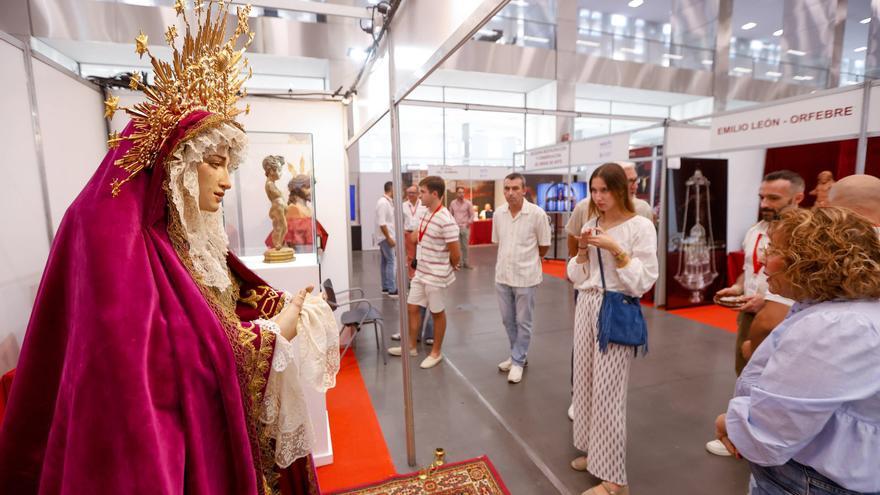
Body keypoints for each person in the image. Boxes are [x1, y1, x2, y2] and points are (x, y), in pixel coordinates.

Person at [0, 5, 336, 493]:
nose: (226, 180)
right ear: (174, 163)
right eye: (215, 162)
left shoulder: (181, 236)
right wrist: (274, 332)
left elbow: (209, 312)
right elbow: (153, 380)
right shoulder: (112, 237)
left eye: (228, 166)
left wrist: (275, 307)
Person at [715, 207, 880, 495]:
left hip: (811, 482)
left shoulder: (835, 326)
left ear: (813, 260)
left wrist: (729, 423)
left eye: (775, 250)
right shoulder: (844, 312)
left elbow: (771, 433)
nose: (763, 259)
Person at [566, 163, 658, 495]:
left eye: (604, 190)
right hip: (586, 305)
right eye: (594, 190)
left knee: (608, 392)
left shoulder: (640, 226)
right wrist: (582, 250)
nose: (598, 197)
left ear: (621, 189)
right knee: (585, 384)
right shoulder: (590, 224)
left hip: (614, 307)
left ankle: (615, 480)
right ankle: (595, 453)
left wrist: (615, 248)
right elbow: (577, 277)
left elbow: (643, 281)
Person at [706, 169, 804, 457]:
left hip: (783, 319)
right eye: (762, 197)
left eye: (774, 198)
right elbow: (750, 271)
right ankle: (743, 435)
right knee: (746, 375)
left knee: (773, 382)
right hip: (752, 315)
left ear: (797, 198)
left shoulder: (802, 235)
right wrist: (738, 287)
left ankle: (757, 441)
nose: (765, 204)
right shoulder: (756, 229)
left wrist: (766, 307)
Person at [388, 176, 461, 369]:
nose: (419, 196)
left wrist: (450, 265)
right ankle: (411, 347)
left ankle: (436, 353)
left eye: (423, 192)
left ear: (434, 194)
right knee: (412, 307)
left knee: (437, 313)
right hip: (421, 272)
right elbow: (417, 236)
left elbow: (456, 253)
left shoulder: (446, 220)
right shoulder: (426, 213)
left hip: (436, 276)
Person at [492, 173, 551, 383]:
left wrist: (528, 259)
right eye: (507, 188)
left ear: (524, 190)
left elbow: (544, 246)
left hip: (526, 277)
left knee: (523, 322)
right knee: (507, 320)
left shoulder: (537, 214)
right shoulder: (499, 214)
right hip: (502, 275)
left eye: (515, 188)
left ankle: (518, 361)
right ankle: (517, 354)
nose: (510, 193)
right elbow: (499, 242)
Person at [566, 162, 652, 258]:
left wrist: (615, 250)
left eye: (635, 180)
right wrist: (582, 251)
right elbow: (573, 238)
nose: (635, 186)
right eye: (629, 181)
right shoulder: (587, 215)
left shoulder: (643, 214)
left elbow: (646, 262)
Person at [391, 185, 435, 344]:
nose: (411, 195)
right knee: (414, 299)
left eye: (416, 193)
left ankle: (427, 334)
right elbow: (397, 223)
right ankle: (411, 334)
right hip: (408, 235)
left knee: (431, 301)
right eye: (408, 193)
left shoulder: (428, 210)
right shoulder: (403, 206)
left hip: (424, 246)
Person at [375, 180, 398, 297]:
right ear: (392, 189)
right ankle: (392, 289)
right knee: (391, 261)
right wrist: (388, 237)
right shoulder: (383, 203)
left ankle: (385, 287)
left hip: (384, 236)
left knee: (385, 262)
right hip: (385, 237)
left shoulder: (387, 202)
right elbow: (382, 223)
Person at [449, 185, 474, 269]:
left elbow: (472, 215)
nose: (461, 194)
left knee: (465, 246)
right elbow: (450, 215)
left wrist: (468, 223)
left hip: (465, 227)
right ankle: (458, 263)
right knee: (457, 246)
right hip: (455, 228)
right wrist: (452, 225)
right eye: (459, 192)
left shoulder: (468, 203)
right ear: (456, 193)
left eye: (463, 192)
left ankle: (466, 263)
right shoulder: (452, 203)